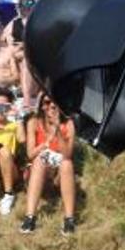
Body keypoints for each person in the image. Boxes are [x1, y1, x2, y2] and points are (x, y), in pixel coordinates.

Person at [18, 94, 77, 234]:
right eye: (47, 102)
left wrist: (57, 129)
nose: (51, 106)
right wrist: (45, 145)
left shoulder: (68, 124)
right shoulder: (34, 122)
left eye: (55, 102)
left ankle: (69, 219)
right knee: (39, 160)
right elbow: (30, 154)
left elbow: (67, 154)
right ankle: (30, 217)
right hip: (37, 170)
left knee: (67, 164)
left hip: (58, 171)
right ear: (41, 106)